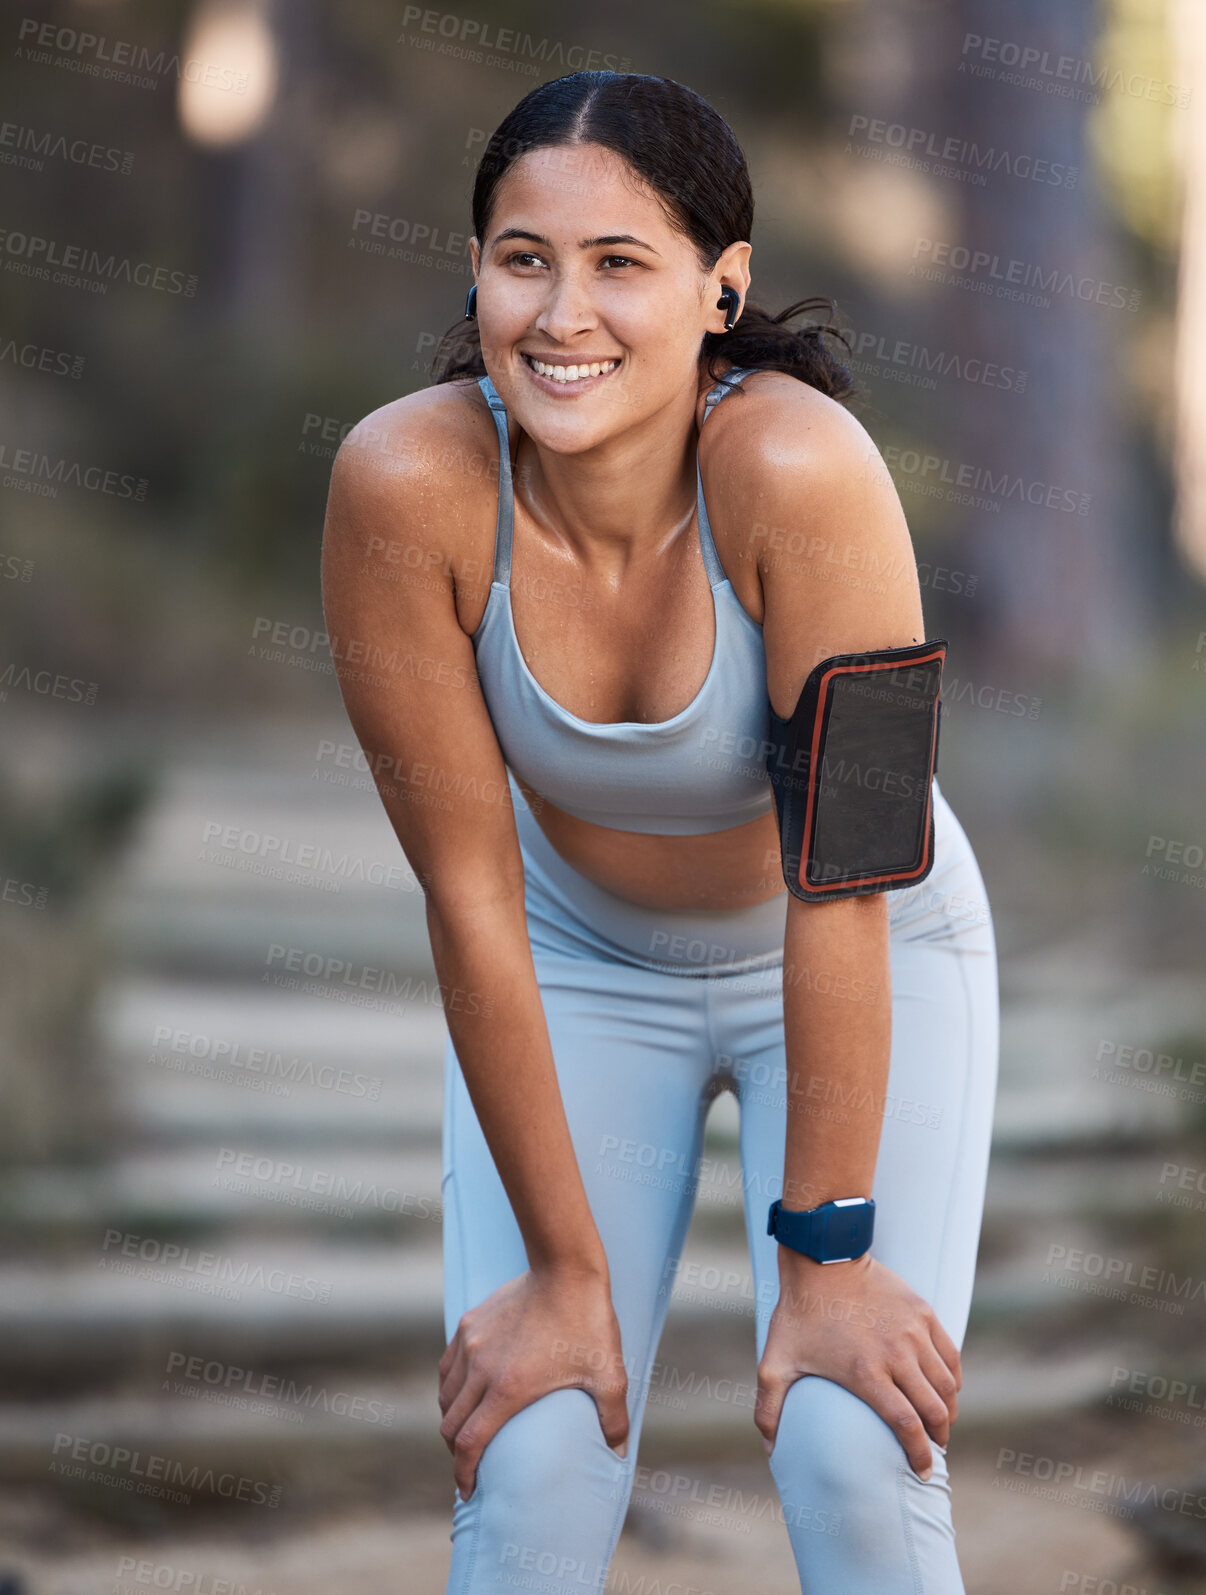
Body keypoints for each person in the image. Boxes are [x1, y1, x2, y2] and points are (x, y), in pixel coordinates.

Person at [321, 69, 999, 1595]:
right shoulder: (403, 487)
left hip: (857, 943)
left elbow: (847, 882)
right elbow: (472, 899)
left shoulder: (808, 473)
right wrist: (561, 1282)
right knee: (536, 1443)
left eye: (619, 262)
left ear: (720, 288)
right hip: (572, 962)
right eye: (521, 257)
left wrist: (826, 1264)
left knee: (846, 1436)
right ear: (477, 272)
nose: (562, 313)